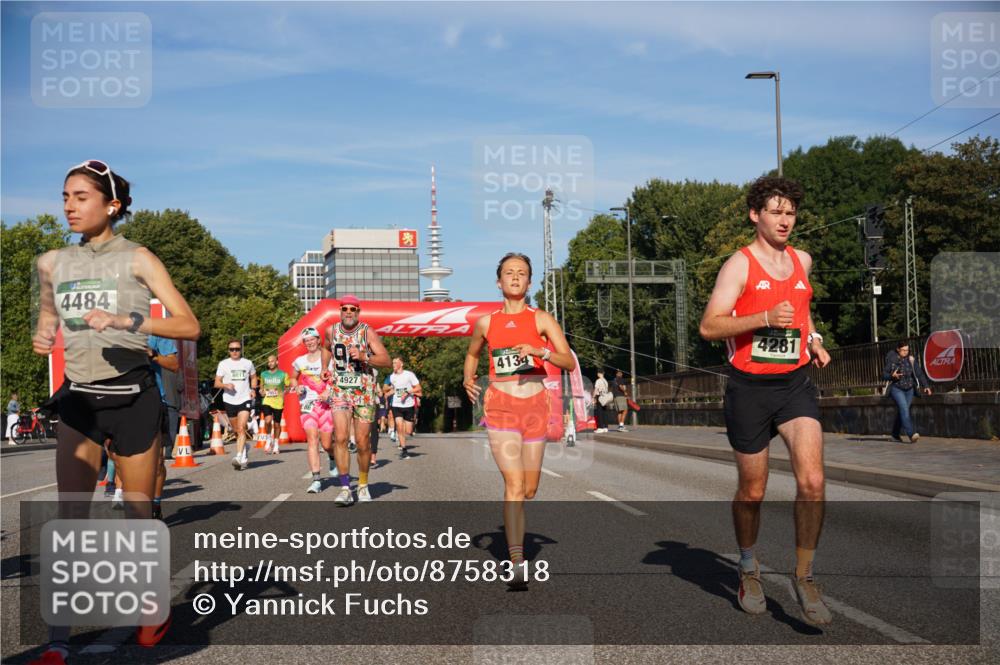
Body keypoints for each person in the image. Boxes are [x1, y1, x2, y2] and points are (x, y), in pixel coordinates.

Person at [31, 160, 200, 664]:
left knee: (136, 516)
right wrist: (43, 333)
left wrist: (128, 320)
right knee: (70, 519)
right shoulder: (51, 262)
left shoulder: (138, 258)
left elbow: (189, 326)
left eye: (81, 197)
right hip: (80, 399)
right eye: (65, 196)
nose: (69, 206)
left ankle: (151, 606)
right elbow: (48, 315)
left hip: (132, 398)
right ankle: (57, 643)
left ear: (112, 205)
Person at [698, 176, 833, 626]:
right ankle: (748, 565)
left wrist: (812, 339)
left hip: (794, 384)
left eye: (790, 212)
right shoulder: (738, 266)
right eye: (776, 211)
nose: (784, 220)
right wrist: (762, 317)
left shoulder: (802, 260)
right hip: (749, 390)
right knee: (753, 491)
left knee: (813, 480)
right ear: (755, 215)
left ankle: (804, 576)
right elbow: (709, 326)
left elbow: (802, 309)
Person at [463, 252, 575, 589]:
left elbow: (568, 361)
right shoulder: (487, 323)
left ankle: (517, 552)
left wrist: (541, 352)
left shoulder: (542, 319)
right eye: (509, 273)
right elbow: (472, 353)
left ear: (529, 281)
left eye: (522, 273)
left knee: (529, 489)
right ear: (499, 282)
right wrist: (468, 378)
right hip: (501, 406)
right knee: (513, 485)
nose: (515, 277)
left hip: (535, 407)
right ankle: (516, 562)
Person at [322, 295, 391, 505]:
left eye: (353, 309)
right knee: (341, 438)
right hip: (340, 390)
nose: (348, 312)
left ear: (358, 312)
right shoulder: (331, 331)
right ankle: (345, 488)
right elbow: (325, 348)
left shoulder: (367, 332)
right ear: (340, 311)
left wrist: (364, 356)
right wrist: (324, 367)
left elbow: (386, 360)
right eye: (345, 309)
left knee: (362, 442)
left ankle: (362, 484)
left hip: (363, 392)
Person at [292, 328, 335, 493]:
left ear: (318, 340)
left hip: (326, 405)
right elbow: (293, 378)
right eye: (306, 340)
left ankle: (332, 456)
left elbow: (336, 377)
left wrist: (328, 391)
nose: (309, 342)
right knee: (312, 440)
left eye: (312, 339)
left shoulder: (328, 358)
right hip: (308, 404)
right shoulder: (300, 361)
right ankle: (316, 480)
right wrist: (297, 387)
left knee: (327, 443)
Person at [148, 334, 179, 520]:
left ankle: (156, 504)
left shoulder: (155, 333)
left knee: (158, 461)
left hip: (154, 401)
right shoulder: (111, 329)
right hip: (122, 404)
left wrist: (152, 355)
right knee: (120, 460)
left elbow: (174, 364)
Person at [214, 339, 257, 470]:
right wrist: (225, 385)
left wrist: (253, 390)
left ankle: (239, 456)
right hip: (229, 400)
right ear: (229, 351)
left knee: (242, 427)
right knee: (236, 430)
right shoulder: (223, 364)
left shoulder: (248, 363)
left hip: (244, 398)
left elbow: (253, 377)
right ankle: (244, 449)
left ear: (241, 350)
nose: (234, 351)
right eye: (232, 349)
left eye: (237, 349)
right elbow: (216, 383)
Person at [882, 341, 931, 443]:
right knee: (904, 409)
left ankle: (895, 435)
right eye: (903, 350)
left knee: (903, 411)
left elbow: (919, 373)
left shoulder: (911, 360)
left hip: (909, 389)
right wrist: (892, 376)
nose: (905, 352)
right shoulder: (892, 360)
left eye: (907, 350)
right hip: (897, 388)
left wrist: (926, 386)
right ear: (898, 350)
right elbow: (884, 375)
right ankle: (911, 434)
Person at [387, 356, 421, 460]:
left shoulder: (409, 375)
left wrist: (407, 392)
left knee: (408, 431)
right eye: (393, 363)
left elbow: (418, 388)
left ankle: (408, 431)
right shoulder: (392, 377)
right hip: (396, 405)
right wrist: (388, 393)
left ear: (401, 364)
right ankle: (404, 449)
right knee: (399, 426)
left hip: (409, 405)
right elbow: (393, 389)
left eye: (395, 363)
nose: (393, 365)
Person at [259, 354, 290, 453]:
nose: (270, 363)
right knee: (267, 421)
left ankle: (276, 444)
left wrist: (284, 392)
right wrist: (261, 391)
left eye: (272, 361)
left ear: (277, 362)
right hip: (267, 400)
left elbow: (288, 387)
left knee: (277, 424)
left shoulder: (283, 374)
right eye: (268, 362)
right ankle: (268, 439)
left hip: (278, 402)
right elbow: (261, 387)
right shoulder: (263, 374)